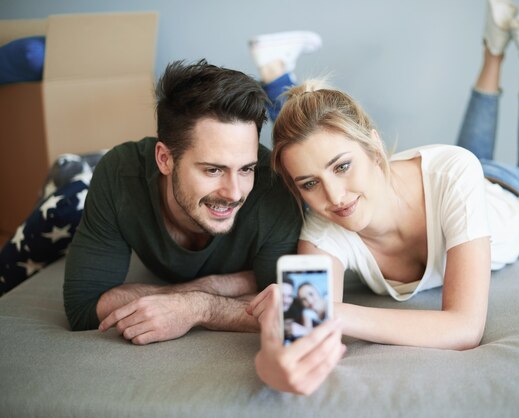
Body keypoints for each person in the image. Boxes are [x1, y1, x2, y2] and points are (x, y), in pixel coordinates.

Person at [247, 0, 519, 395]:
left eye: (342, 166)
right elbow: (303, 337)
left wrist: (334, 312)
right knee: (466, 156)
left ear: (374, 147)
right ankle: (494, 47)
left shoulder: (452, 170)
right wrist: (270, 360)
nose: (335, 196)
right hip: (457, 182)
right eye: (309, 184)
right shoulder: (322, 230)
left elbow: (464, 328)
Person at [62, 32, 323, 345]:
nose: (234, 192)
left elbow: (296, 312)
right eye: (213, 170)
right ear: (164, 159)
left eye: (246, 169)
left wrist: (200, 305)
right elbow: (83, 309)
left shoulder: (274, 187)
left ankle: (276, 70)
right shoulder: (120, 174)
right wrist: (231, 284)